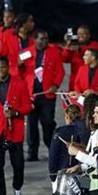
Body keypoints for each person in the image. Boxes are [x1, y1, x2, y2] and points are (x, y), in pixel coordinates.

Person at [0, 56, 33, 195]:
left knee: (18, 164)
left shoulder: (19, 84)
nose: (0, 70)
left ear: (8, 67)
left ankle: (17, 187)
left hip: (14, 131)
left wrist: (16, 113)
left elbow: (28, 106)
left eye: (3, 67)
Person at [22, 30, 65, 161]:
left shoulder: (54, 52)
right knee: (31, 124)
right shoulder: (26, 52)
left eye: (46, 39)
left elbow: (60, 72)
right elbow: (17, 68)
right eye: (41, 39)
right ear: (34, 40)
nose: (44, 41)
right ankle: (32, 153)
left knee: (48, 122)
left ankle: (52, 147)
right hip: (31, 94)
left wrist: (56, 85)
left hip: (47, 94)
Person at [61, 25, 98, 91]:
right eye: (79, 34)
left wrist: (79, 48)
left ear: (89, 36)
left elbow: (91, 53)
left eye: (83, 34)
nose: (81, 36)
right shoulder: (73, 46)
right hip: (75, 81)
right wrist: (67, 45)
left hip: (89, 80)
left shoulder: (94, 44)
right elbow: (64, 59)